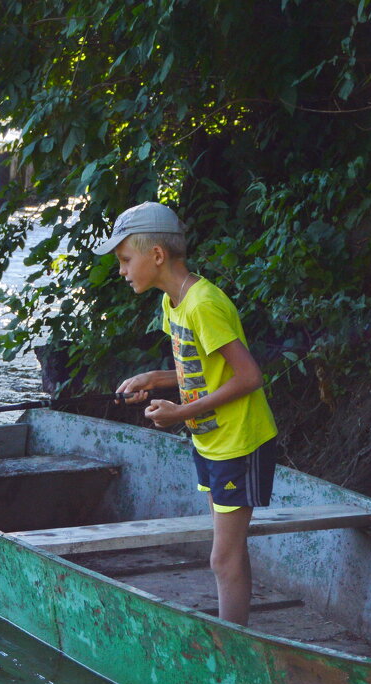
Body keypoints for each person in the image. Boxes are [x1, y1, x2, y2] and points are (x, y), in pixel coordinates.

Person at [96, 201, 278, 625]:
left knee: (222, 557)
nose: (122, 271)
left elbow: (249, 376)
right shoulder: (172, 303)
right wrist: (153, 380)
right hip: (210, 440)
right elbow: (196, 369)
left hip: (239, 441)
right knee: (228, 554)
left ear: (156, 255)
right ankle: (236, 635)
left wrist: (180, 413)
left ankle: (232, 645)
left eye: (125, 260)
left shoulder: (202, 304)